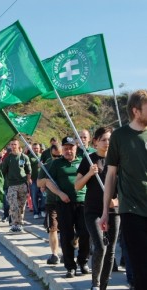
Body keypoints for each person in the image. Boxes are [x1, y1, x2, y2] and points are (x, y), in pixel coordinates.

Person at [99, 90, 147, 290]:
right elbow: (110, 176)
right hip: (132, 210)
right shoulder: (119, 136)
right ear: (136, 111)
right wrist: (104, 213)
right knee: (141, 270)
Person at [75, 127, 120, 290]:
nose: (107, 143)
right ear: (95, 142)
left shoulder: (118, 159)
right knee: (100, 246)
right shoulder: (89, 159)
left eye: (110, 139)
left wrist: (116, 201)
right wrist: (89, 173)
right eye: (103, 140)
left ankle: (103, 286)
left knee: (111, 251)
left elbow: (127, 186)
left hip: (113, 211)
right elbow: (77, 186)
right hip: (93, 210)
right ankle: (95, 283)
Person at [45, 136, 90, 278]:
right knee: (66, 235)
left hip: (82, 202)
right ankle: (70, 266)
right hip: (64, 203)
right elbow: (48, 182)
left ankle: (83, 262)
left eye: (71, 148)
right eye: (65, 148)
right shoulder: (56, 164)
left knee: (85, 233)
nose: (68, 151)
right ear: (62, 149)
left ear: (76, 148)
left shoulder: (83, 161)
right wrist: (59, 193)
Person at [37, 144, 62, 265]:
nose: (57, 158)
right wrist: (45, 182)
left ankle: (72, 246)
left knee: (72, 230)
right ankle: (55, 254)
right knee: (53, 229)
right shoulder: (46, 166)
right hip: (52, 202)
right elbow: (39, 182)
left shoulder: (69, 164)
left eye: (60, 155)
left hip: (68, 202)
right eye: (54, 156)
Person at [1, 138, 32, 233]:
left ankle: (20, 224)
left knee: (21, 206)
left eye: (15, 144)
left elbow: (28, 171)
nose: (13, 146)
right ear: (10, 146)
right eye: (12, 144)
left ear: (18, 146)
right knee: (13, 205)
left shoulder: (24, 157)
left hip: (22, 184)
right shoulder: (8, 158)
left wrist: (28, 182)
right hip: (12, 185)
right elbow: (3, 171)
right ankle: (14, 223)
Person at [29, 142, 44, 219]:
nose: (36, 150)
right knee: (34, 196)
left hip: (41, 180)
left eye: (37, 148)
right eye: (34, 148)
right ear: (32, 149)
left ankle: (42, 209)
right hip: (33, 180)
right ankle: (36, 211)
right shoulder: (29, 157)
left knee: (43, 196)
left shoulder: (42, 156)